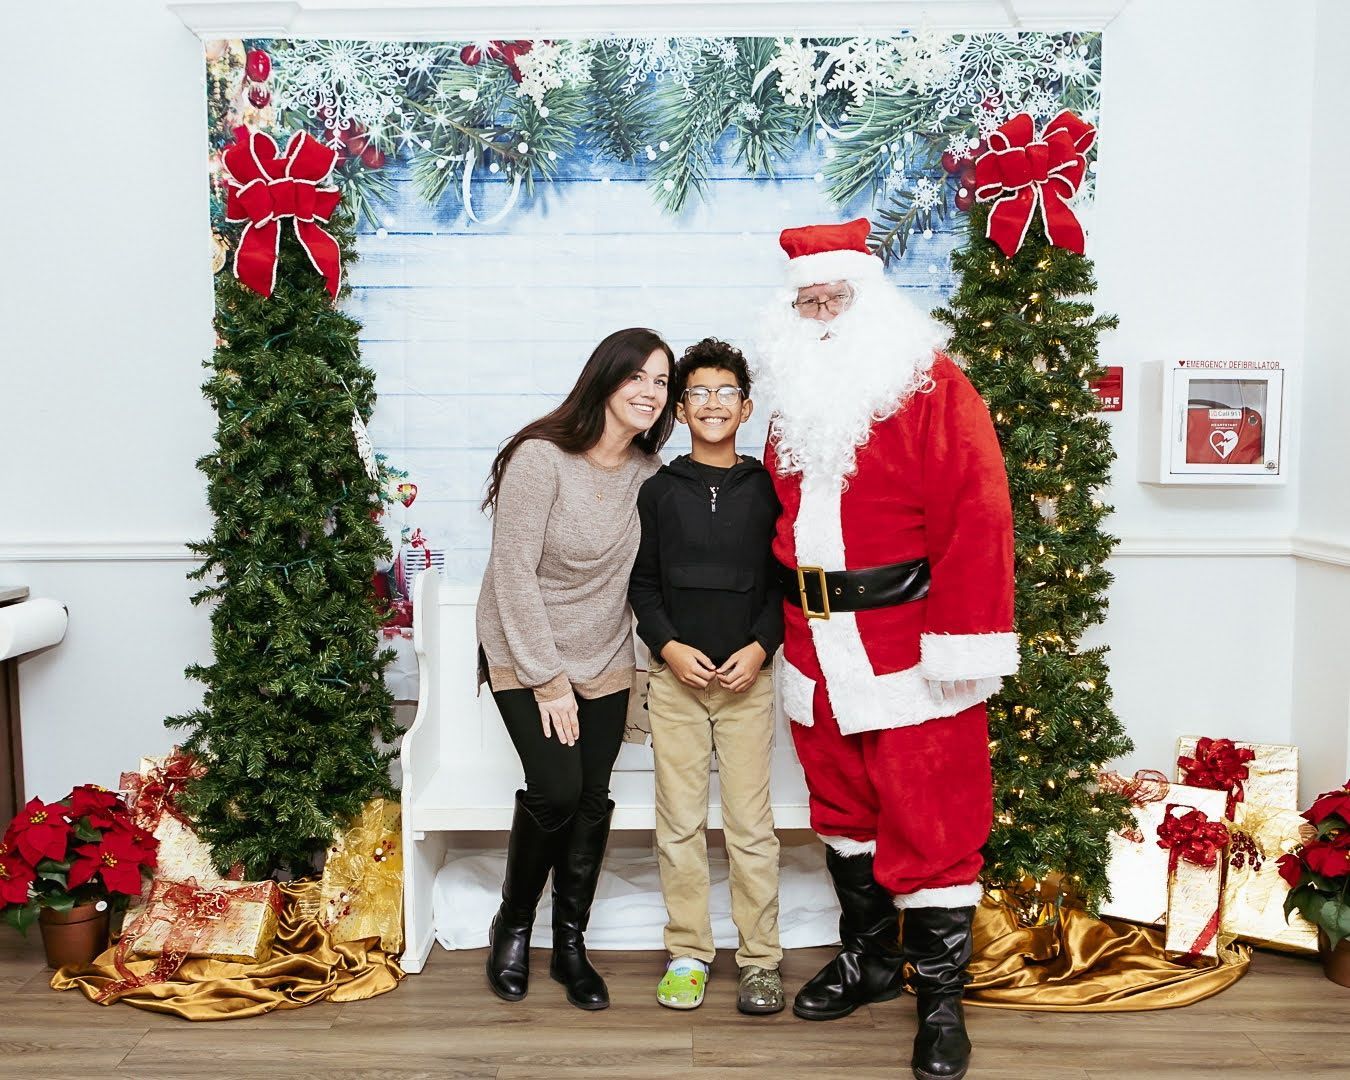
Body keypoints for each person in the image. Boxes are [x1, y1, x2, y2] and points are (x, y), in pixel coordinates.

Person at [754, 219, 1016, 1080]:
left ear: (870, 300)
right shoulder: (789, 400)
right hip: (814, 646)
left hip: (909, 649)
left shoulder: (933, 387)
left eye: (833, 297)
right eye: (806, 300)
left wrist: (961, 644)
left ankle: (941, 998)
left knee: (932, 820)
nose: (820, 312)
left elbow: (978, 514)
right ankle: (868, 961)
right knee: (844, 809)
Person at [476, 327, 676, 1011]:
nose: (651, 392)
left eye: (662, 382)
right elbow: (512, 575)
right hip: (524, 648)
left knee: (592, 798)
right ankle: (513, 924)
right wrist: (548, 680)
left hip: (606, 655)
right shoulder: (542, 459)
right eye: (638, 378)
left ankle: (570, 945)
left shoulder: (651, 476)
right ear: (606, 379)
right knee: (557, 791)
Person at [628, 338, 786, 1015]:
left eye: (726, 392)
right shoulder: (659, 491)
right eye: (698, 393)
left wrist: (760, 648)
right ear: (680, 409)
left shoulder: (768, 490)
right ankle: (689, 953)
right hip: (676, 689)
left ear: (745, 408)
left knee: (751, 827)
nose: (713, 403)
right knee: (680, 826)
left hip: (749, 686)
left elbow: (785, 583)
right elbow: (643, 585)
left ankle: (760, 960)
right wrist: (668, 649)